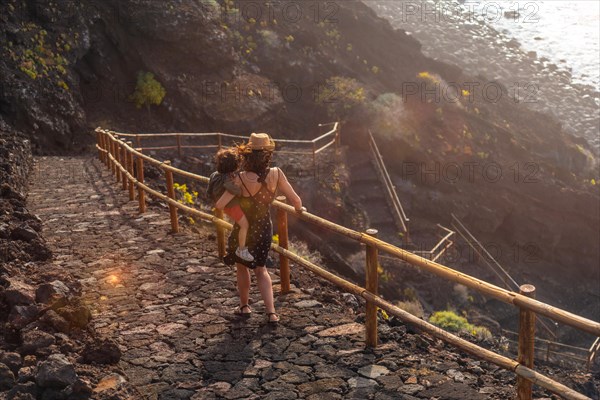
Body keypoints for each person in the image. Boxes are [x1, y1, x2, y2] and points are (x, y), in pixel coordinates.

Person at [216, 133, 303, 324]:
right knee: (261, 270)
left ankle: (245, 306)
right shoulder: (276, 173)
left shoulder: (239, 178)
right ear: (268, 154)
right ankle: (271, 313)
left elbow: (220, 204)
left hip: (243, 228)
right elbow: (295, 200)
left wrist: (236, 211)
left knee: (242, 267)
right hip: (264, 227)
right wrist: (299, 209)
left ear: (248, 153)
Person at [207, 148, 254, 262]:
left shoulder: (214, 175)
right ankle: (242, 249)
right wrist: (240, 190)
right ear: (235, 166)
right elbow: (235, 191)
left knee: (240, 224)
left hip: (224, 205)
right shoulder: (228, 179)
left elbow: (209, 190)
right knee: (245, 225)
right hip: (231, 206)